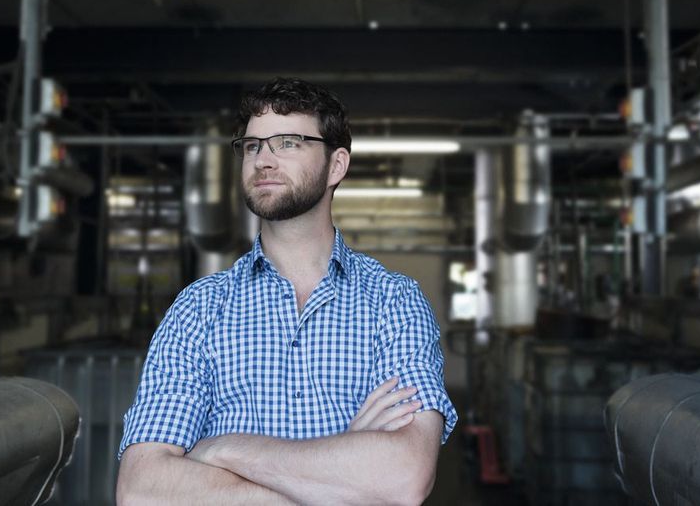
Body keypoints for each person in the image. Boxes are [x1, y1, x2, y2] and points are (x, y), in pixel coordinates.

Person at [116, 77, 458, 505]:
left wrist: (223, 450)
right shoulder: (197, 310)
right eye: (253, 146)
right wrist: (342, 474)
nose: (264, 160)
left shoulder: (395, 303)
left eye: (289, 143)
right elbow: (142, 490)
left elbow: (404, 479)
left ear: (336, 165)